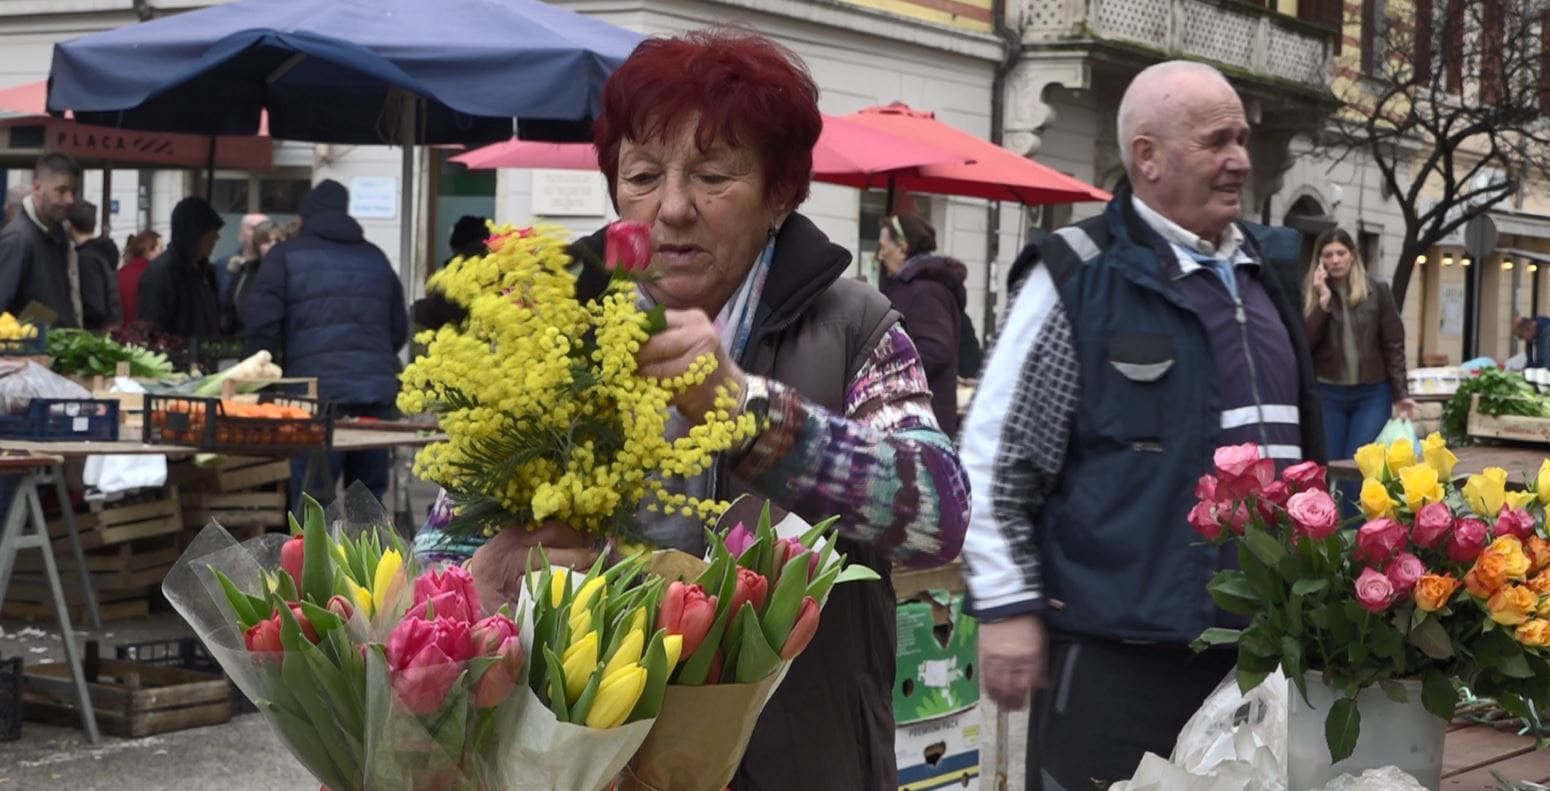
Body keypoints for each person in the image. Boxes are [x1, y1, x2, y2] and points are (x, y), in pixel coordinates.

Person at [415, 30, 970, 790]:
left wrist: (751, 413)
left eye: (712, 176)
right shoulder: (546, 328)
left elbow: (937, 511)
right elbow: (432, 570)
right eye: (642, 175)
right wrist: (490, 574)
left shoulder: (855, 329)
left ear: (779, 192)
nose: (671, 209)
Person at [958, 60, 1326, 790]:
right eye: (1217, 141)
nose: (1241, 161)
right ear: (1147, 156)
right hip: (1114, 657)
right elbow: (993, 459)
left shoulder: (1268, 272)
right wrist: (1005, 608)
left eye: (1243, 139)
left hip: (1259, 652)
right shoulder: (1074, 276)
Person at [241, 180, 407, 506]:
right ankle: (371, 558)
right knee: (367, 506)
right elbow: (398, 329)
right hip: (373, 400)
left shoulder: (284, 257)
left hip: (313, 402)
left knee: (312, 506)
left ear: (305, 217)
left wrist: (263, 386)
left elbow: (262, 327)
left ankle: (309, 559)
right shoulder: (376, 258)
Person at [1304, 227, 1417, 459]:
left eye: (1340, 253)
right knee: (1330, 465)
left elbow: (1394, 344)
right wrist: (1322, 304)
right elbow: (1304, 344)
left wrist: (1401, 393)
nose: (1335, 260)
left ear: (1352, 254)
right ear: (1319, 260)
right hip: (1328, 395)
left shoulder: (1377, 291)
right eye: (1327, 255)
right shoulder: (1313, 295)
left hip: (1372, 394)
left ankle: (1351, 498)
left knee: (1358, 465)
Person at [877, 211, 968, 435]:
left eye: (883, 246)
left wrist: (887, 372)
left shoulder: (924, 290)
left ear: (902, 247)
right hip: (914, 416)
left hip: (923, 421)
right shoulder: (912, 286)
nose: (880, 255)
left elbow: (935, 350)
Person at [0, 154, 84, 326]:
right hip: (32, 349)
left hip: (57, 347)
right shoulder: (18, 238)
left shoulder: (57, 232)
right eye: (61, 190)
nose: (70, 199)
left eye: (73, 191)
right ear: (37, 187)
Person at [138, 197, 224, 340]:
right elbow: (151, 328)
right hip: (176, 358)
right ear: (195, 234)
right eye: (211, 231)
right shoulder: (161, 274)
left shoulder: (205, 272)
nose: (216, 237)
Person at [65, 200, 123, 330]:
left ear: (69, 224)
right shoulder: (101, 252)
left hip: (93, 334)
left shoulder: (86, 258)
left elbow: (94, 305)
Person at [222, 220, 284, 334]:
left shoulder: (292, 276)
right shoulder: (243, 275)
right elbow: (229, 317)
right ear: (257, 246)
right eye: (266, 241)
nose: (273, 245)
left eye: (278, 240)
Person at [220, 213, 268, 304]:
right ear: (241, 234)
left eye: (263, 230)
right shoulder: (222, 266)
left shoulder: (276, 267)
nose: (259, 234)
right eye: (254, 229)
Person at [117, 229, 162, 325]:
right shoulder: (157, 274)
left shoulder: (120, 274)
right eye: (161, 248)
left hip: (121, 334)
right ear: (149, 249)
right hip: (150, 334)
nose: (163, 253)